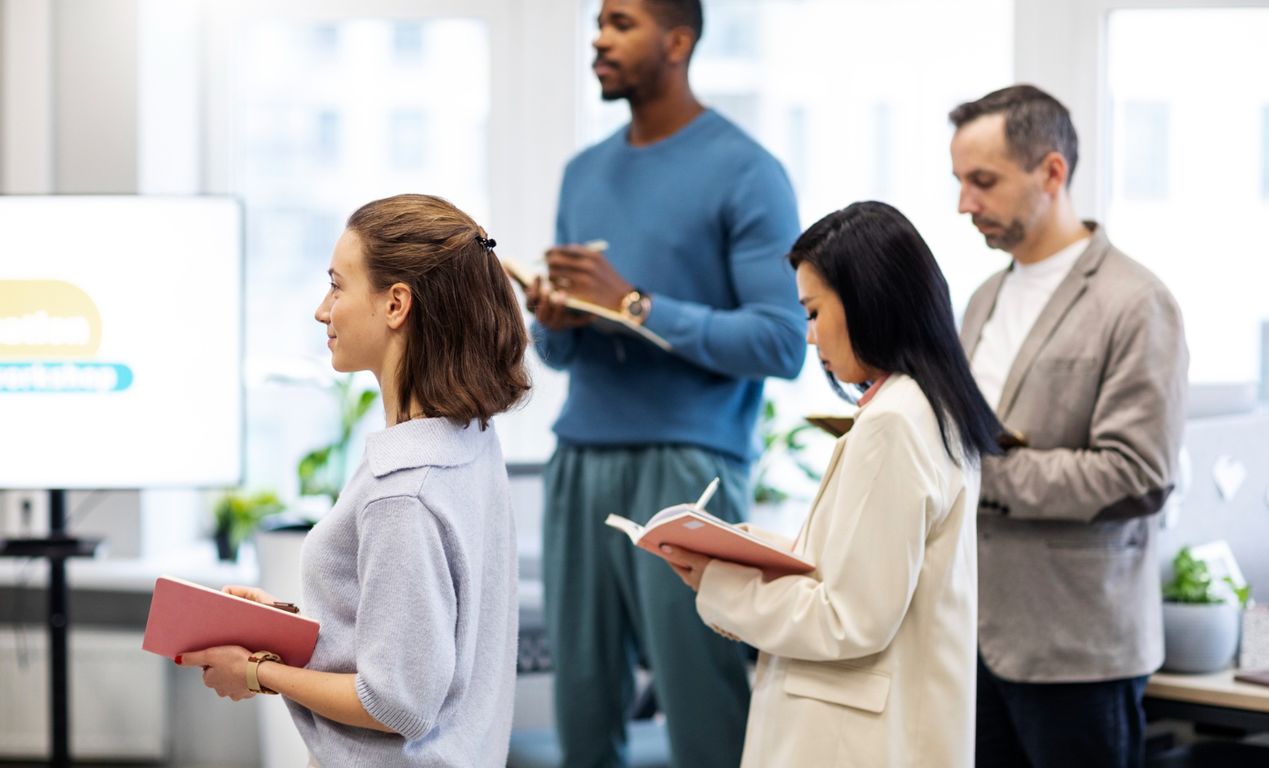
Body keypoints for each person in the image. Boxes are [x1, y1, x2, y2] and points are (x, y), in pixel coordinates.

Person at [524, 0, 805, 764]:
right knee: (581, 705)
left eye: (620, 23)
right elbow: (559, 354)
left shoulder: (748, 171)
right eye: (598, 22)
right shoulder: (583, 173)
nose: (598, 37)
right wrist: (559, 320)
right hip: (580, 460)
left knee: (702, 706)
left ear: (677, 41)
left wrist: (635, 305)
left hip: (690, 470)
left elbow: (783, 342)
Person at [179, 193, 530, 768]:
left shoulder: (404, 492)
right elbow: (423, 634)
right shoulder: (466, 440)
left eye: (338, 285)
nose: (323, 310)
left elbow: (396, 703)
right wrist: (288, 626)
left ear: (396, 304)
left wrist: (259, 672)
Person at [663, 201, 1001, 767]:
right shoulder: (932, 407)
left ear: (868, 300)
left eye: (814, 312)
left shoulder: (894, 422)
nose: (811, 338)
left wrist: (719, 582)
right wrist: (761, 554)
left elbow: (850, 619)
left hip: (854, 740)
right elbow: (876, 574)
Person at [949, 84, 1189, 767]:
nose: (964, 202)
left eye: (983, 181)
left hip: (1077, 648)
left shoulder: (1135, 302)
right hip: (975, 635)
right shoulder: (982, 299)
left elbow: (1137, 477)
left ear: (1052, 173)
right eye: (960, 181)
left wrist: (978, 465)